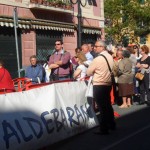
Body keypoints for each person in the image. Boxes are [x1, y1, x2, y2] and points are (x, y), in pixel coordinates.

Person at [87, 40, 116, 135]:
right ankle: (112, 124)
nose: (94, 48)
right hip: (107, 83)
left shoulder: (97, 59)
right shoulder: (110, 57)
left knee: (102, 107)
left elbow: (88, 72)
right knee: (107, 105)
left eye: (96, 46)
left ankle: (104, 128)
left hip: (99, 84)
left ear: (102, 47)